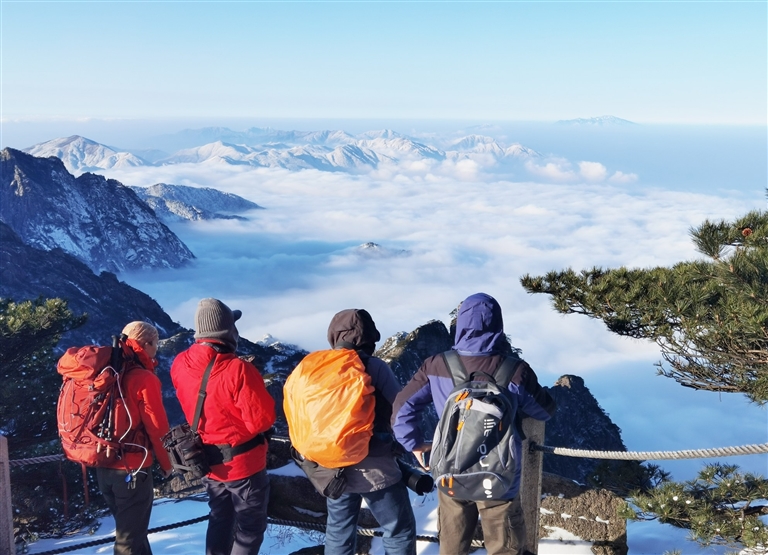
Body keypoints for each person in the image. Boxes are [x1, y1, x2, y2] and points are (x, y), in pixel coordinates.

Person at [391, 293, 557, 555]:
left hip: (451, 471)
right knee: (507, 549)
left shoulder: (436, 365)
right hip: (500, 475)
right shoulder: (515, 370)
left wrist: (415, 444)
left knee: (452, 548)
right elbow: (545, 410)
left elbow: (401, 410)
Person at [170, 298, 276, 555]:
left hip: (206, 459)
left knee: (219, 517)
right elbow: (262, 420)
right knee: (249, 529)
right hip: (243, 465)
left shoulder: (179, 363)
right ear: (228, 331)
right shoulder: (238, 370)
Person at [322, 309, 417, 555]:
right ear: (368, 338)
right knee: (398, 530)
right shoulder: (374, 367)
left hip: (332, 466)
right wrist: (412, 444)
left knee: (338, 531)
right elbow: (400, 410)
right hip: (374, 464)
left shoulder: (318, 367)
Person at [95, 321, 173, 555]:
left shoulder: (108, 371)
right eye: (156, 345)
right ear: (146, 344)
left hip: (103, 465)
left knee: (133, 534)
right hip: (132, 469)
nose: (156, 350)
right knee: (128, 543)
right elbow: (158, 428)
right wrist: (168, 464)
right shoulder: (143, 378)